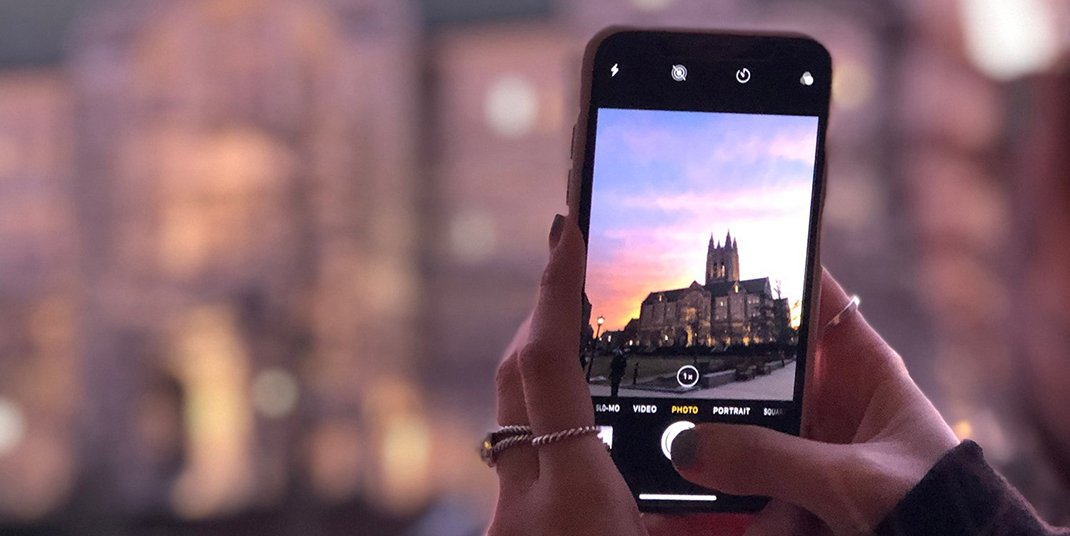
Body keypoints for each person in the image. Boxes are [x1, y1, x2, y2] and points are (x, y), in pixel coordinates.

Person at [484, 213, 1070, 536]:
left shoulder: (749, 295)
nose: (718, 272)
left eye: (723, 264)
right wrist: (944, 512)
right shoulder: (676, 299)